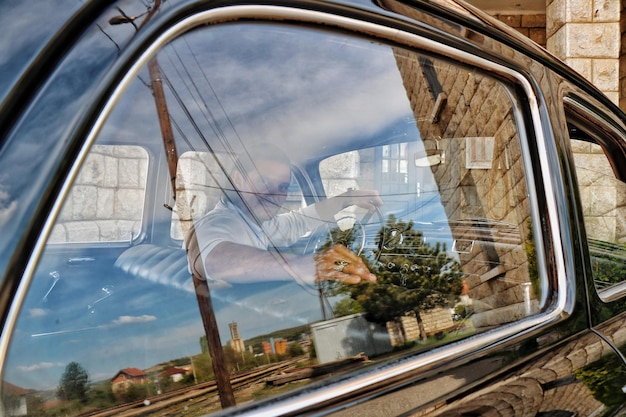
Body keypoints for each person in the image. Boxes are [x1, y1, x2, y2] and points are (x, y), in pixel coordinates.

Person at [185, 144, 382, 287]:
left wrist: (346, 198)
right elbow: (214, 259)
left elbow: (301, 220)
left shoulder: (257, 221)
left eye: (283, 186)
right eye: (264, 181)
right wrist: (303, 265)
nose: (275, 194)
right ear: (238, 180)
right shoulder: (219, 222)